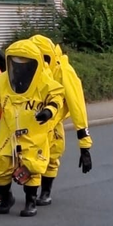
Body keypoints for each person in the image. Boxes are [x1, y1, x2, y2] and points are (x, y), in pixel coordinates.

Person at [0, 39, 65, 217]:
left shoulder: (44, 81)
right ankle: (6, 198)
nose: (20, 68)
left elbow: (57, 97)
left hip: (34, 132)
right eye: (16, 63)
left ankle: (30, 202)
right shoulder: (2, 81)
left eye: (25, 64)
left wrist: (49, 111)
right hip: (9, 132)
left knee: (32, 165)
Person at [29, 34, 93, 206]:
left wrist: (84, 146)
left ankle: (45, 192)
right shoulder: (34, 68)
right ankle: (27, 193)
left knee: (52, 154)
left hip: (53, 121)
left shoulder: (64, 72)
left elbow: (77, 106)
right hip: (32, 119)